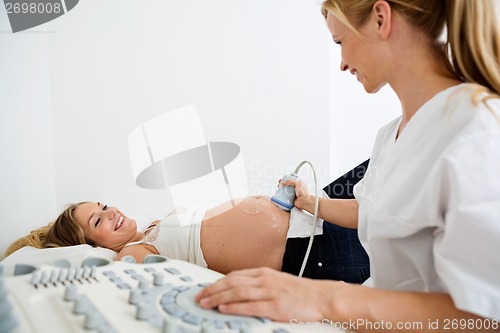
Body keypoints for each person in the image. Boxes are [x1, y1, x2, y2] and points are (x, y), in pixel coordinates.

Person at [195, 0, 500, 330]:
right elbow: (372, 210)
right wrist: (310, 203)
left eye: (340, 42)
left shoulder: (477, 134)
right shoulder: (391, 136)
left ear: (381, 19)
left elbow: (485, 317)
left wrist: (325, 298)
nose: (341, 63)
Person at [4, 191, 370, 282]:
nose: (111, 211)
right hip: (306, 252)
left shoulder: (150, 229)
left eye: (103, 205)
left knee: (393, 185)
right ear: (92, 246)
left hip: (310, 220)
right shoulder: (129, 255)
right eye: (98, 220)